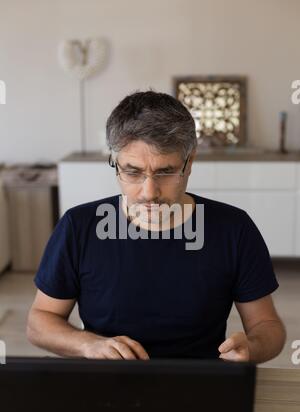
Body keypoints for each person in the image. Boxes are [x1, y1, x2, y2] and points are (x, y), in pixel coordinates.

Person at [27, 90, 286, 362]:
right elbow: (39, 322)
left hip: (200, 386)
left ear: (190, 163)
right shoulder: (78, 227)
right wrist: (87, 345)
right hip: (107, 388)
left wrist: (252, 347)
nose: (149, 192)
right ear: (115, 163)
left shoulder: (235, 229)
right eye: (132, 171)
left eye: (165, 172)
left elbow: (268, 328)